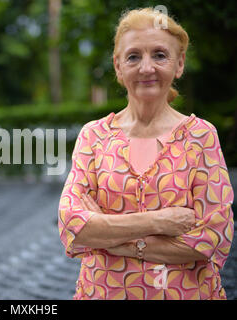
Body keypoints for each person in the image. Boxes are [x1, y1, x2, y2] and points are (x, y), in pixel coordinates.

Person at [58, 7, 234, 300]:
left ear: (179, 65)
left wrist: (115, 241)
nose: (146, 67)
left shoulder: (201, 136)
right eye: (134, 56)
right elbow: (71, 224)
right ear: (118, 66)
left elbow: (213, 238)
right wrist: (159, 222)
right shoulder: (94, 136)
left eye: (160, 55)